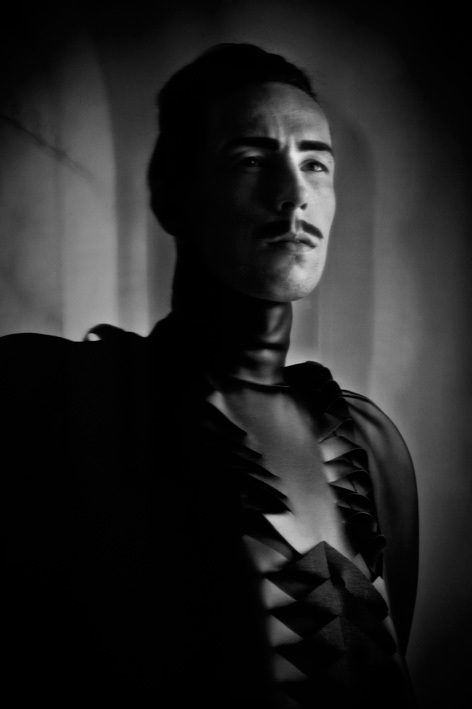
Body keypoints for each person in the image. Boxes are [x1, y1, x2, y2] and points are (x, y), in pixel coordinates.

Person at [1, 44, 418, 708]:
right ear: (173, 196)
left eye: (316, 163)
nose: (294, 194)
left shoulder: (372, 442)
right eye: (250, 160)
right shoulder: (50, 394)